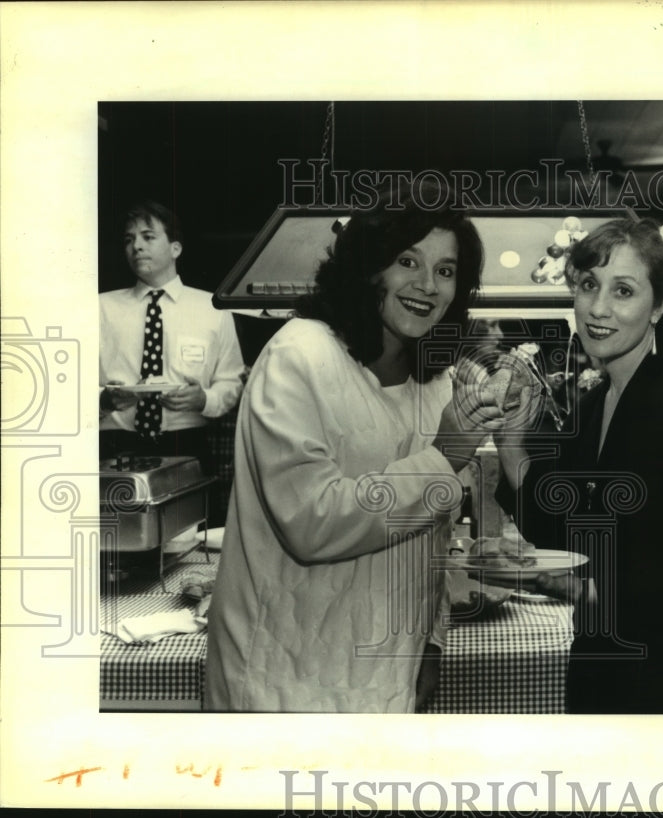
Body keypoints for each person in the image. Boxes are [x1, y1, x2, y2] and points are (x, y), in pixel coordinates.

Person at [204, 179, 500, 713]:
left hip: (388, 673)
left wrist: (431, 642)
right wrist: (444, 456)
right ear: (369, 265)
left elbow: (433, 533)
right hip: (285, 681)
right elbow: (311, 521)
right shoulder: (299, 355)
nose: (428, 285)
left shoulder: (434, 378)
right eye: (407, 262)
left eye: (446, 270)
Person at [494, 217, 663, 714]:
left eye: (624, 291)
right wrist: (511, 445)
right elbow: (559, 526)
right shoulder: (597, 403)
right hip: (607, 671)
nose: (598, 308)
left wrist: (581, 587)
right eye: (589, 285)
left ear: (660, 306)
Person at [99, 200, 245, 524]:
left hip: (187, 446)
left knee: (189, 545)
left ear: (175, 248)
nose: (136, 246)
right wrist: (104, 399)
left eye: (148, 237)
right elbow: (72, 383)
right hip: (113, 449)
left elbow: (231, 381)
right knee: (119, 547)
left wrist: (204, 398)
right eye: (128, 239)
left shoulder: (213, 308)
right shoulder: (100, 309)